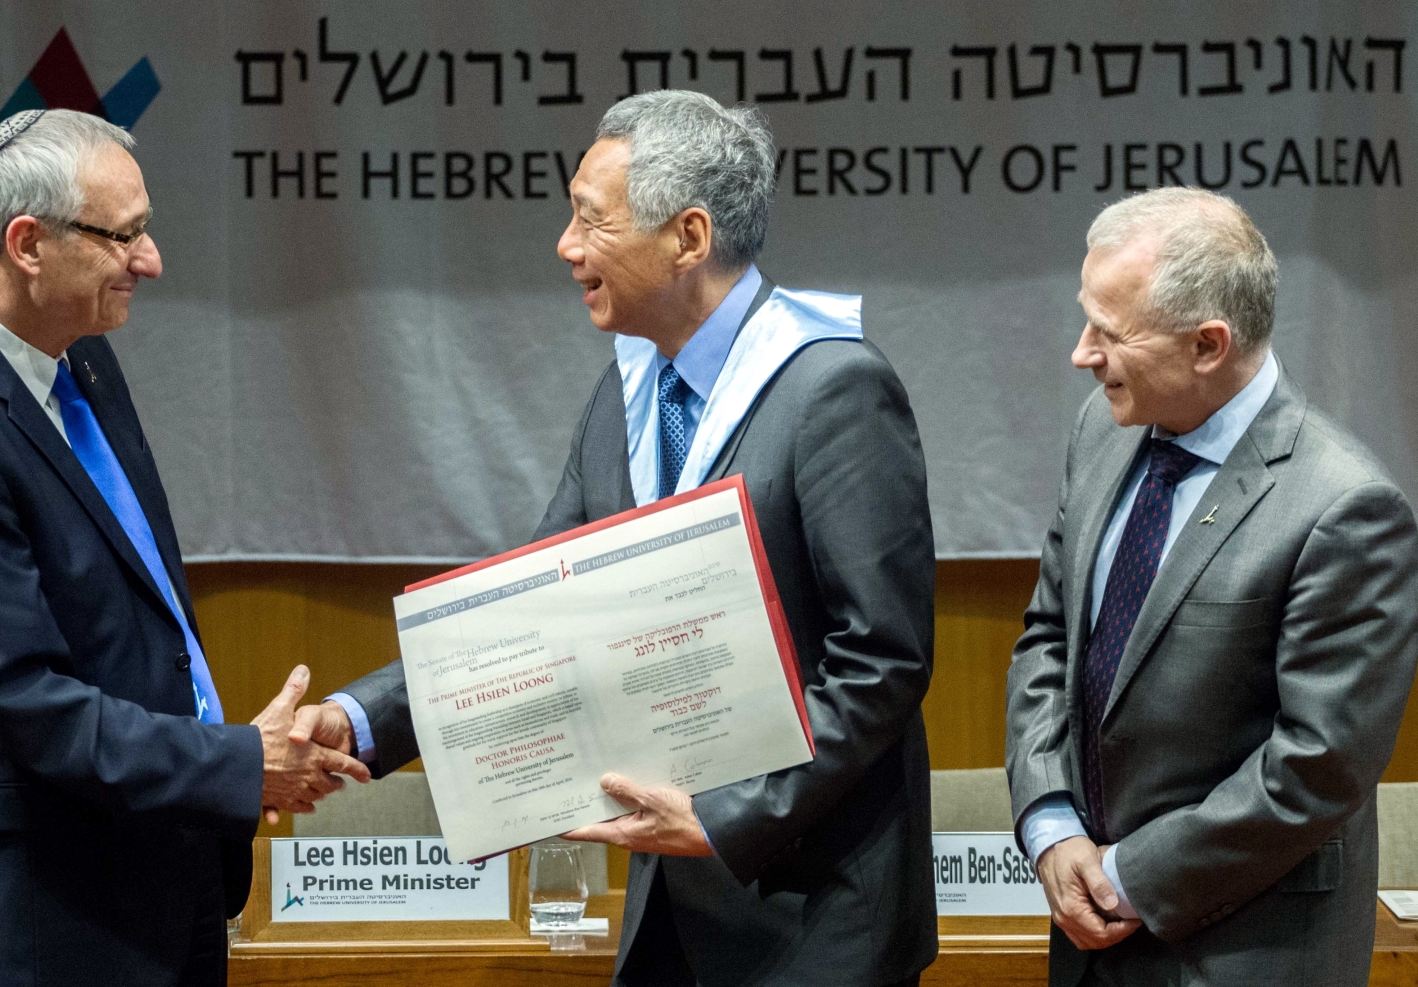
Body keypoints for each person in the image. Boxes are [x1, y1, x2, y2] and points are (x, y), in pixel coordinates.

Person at [294, 91, 938, 987]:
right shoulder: (627, 394)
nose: (567, 246)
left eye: (591, 220)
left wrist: (724, 815)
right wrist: (361, 719)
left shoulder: (833, 389)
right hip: (669, 912)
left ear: (689, 237)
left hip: (814, 918)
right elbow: (527, 615)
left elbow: (882, 659)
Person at [0, 110, 366, 987]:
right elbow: (25, 703)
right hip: (56, 921)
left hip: (166, 877)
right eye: (124, 235)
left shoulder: (82, 358)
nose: (151, 259)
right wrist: (237, 762)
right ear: (28, 244)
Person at [1005, 186, 1418, 987]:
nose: (1083, 353)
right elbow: (1049, 638)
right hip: (1087, 938)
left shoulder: (1345, 507)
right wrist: (1052, 824)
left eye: (1110, 332)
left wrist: (1126, 875)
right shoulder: (1101, 430)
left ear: (1208, 344)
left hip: (1244, 951)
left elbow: (1318, 766)